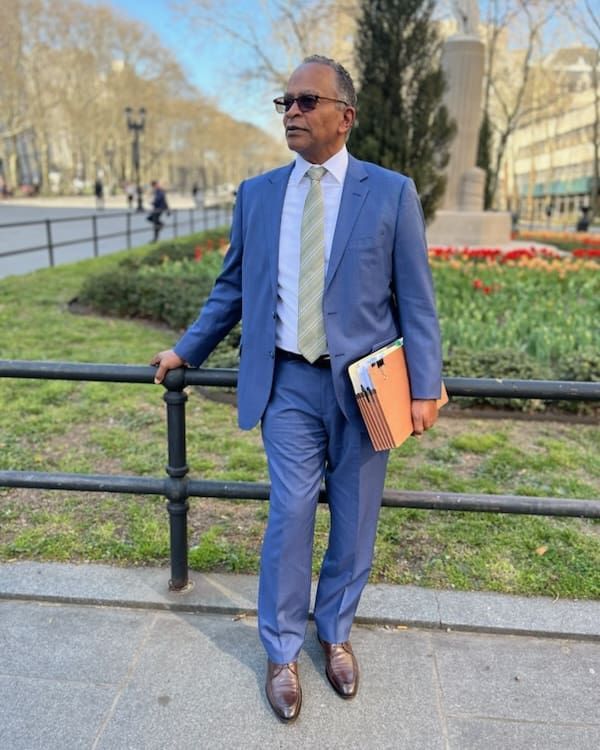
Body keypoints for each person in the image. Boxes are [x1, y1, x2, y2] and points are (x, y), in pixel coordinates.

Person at [151, 55, 443, 723]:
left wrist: (424, 386)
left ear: (346, 116)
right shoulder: (257, 195)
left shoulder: (391, 193)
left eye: (308, 101)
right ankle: (281, 650)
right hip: (285, 381)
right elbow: (231, 288)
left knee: (357, 517)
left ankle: (334, 632)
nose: (292, 112)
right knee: (289, 514)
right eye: (284, 101)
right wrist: (186, 349)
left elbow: (418, 302)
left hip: (367, 389)